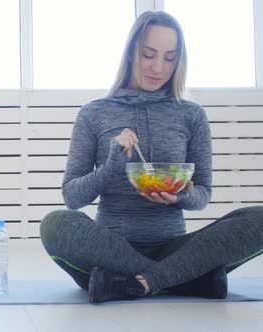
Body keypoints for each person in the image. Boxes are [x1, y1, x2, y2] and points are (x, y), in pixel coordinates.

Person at [39, 10, 263, 304]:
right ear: (132, 52)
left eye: (170, 58)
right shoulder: (93, 114)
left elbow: (203, 193)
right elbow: (72, 197)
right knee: (55, 224)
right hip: (107, 252)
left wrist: (182, 196)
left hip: (174, 248)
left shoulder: (191, 115)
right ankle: (183, 281)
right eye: (148, 54)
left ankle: (132, 284)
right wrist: (109, 166)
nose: (158, 67)